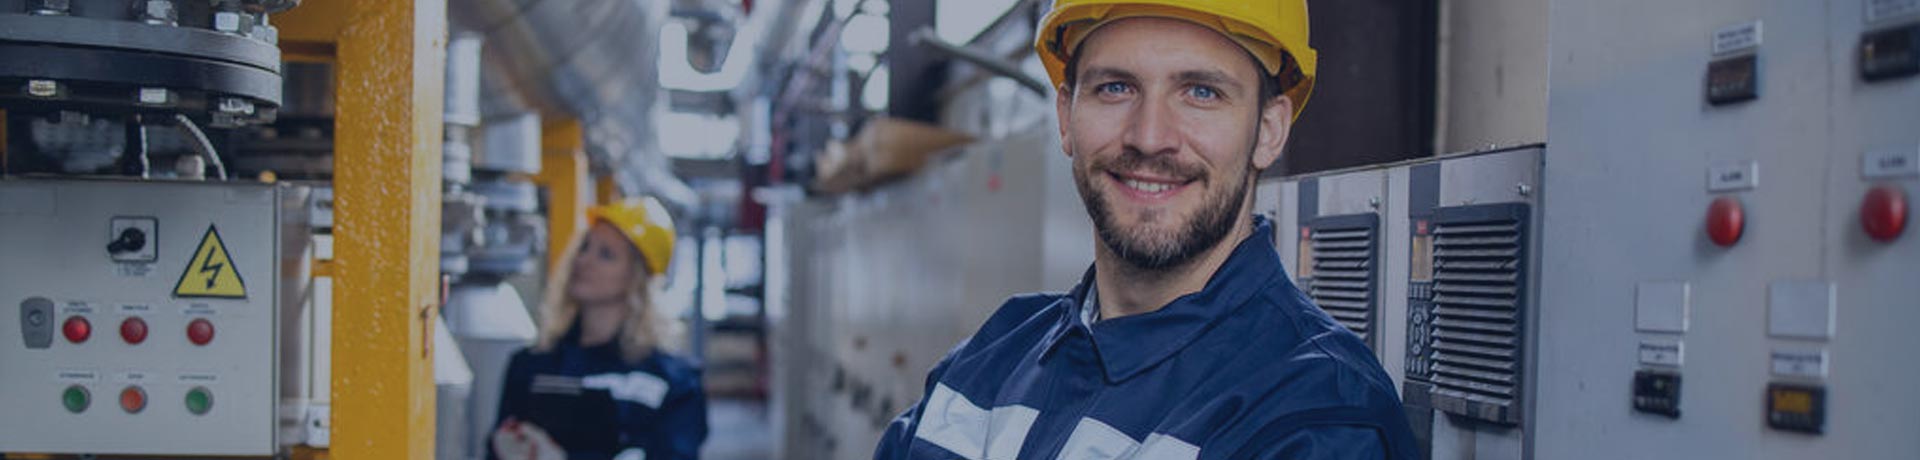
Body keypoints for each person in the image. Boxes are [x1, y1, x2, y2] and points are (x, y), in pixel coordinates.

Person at [874, 1, 1418, 458]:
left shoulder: (1316, 414)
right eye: (1115, 88)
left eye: (1201, 92)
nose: (1150, 137)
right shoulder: (994, 355)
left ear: (1268, 130)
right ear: (1066, 115)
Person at [490, 197, 708, 460]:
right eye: (585, 247)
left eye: (606, 254)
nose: (584, 260)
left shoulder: (674, 382)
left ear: (636, 277)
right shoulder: (531, 367)